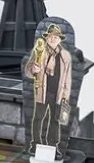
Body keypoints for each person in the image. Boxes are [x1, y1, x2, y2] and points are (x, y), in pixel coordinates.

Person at [25, 21, 72, 153]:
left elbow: (67, 78)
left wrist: (65, 96)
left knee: (56, 121)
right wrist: (33, 69)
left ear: (59, 40)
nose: (53, 38)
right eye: (51, 36)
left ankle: (52, 146)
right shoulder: (40, 51)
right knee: (38, 118)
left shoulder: (65, 56)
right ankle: (35, 144)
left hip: (58, 93)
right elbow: (28, 70)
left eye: (56, 37)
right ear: (46, 38)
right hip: (43, 91)